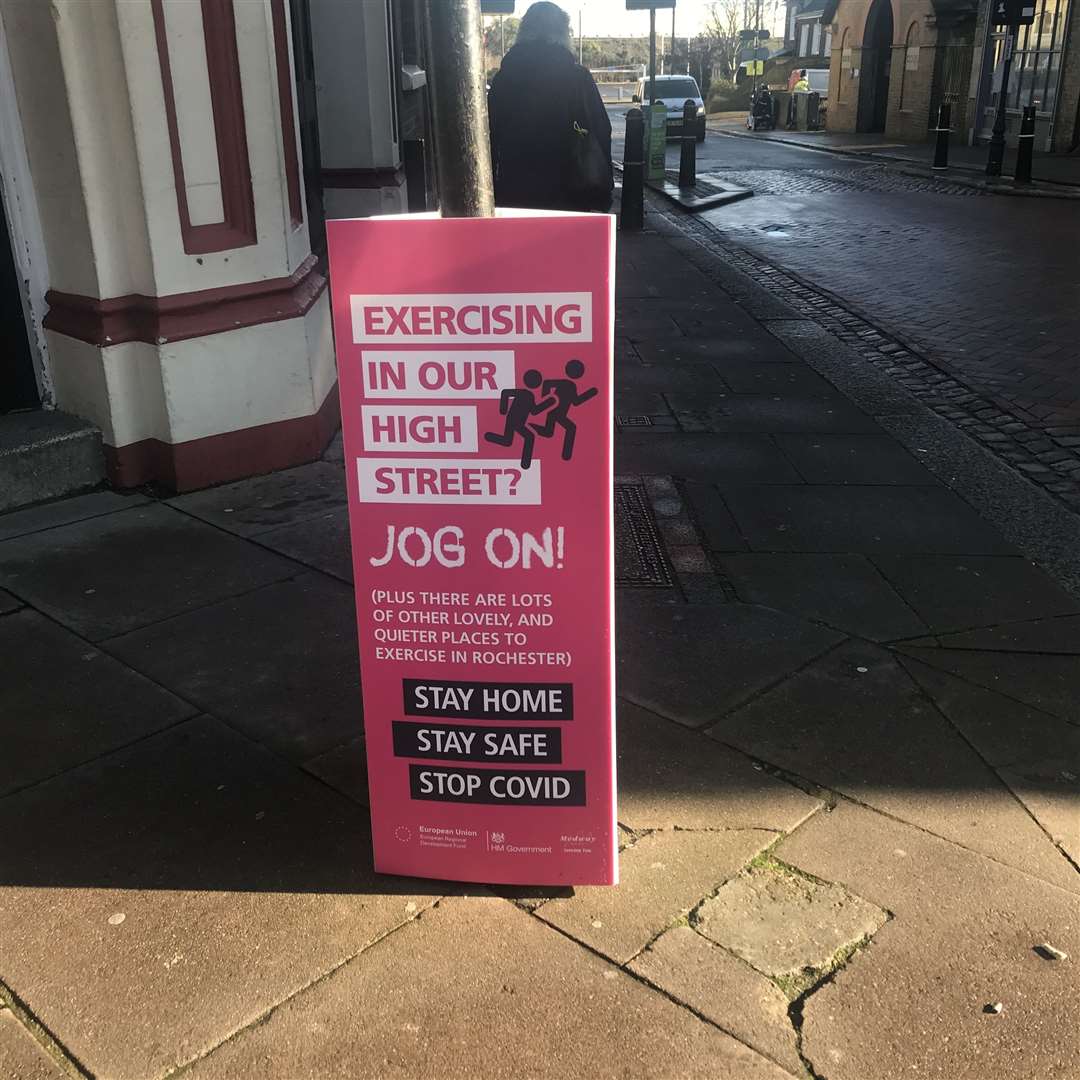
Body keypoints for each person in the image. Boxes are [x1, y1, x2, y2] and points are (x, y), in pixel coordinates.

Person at [487, 2, 613, 212]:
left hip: (515, 192)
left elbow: (489, 134)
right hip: (571, 191)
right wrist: (602, 191)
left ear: (524, 31)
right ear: (563, 33)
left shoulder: (503, 79)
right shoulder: (577, 79)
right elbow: (600, 131)